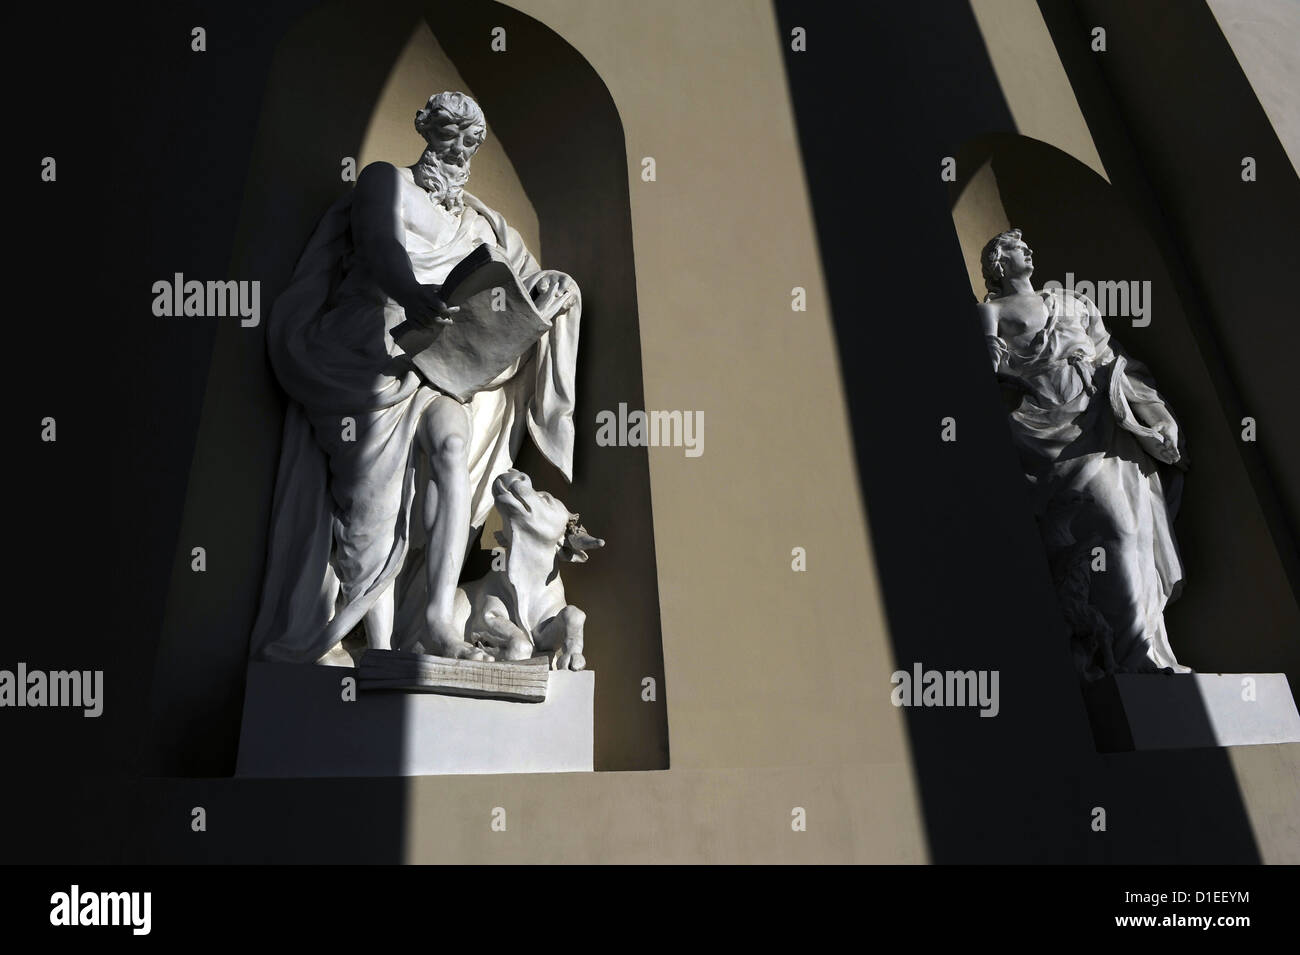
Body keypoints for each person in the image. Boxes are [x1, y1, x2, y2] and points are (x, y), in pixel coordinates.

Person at [250, 91, 580, 665]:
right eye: (450, 134)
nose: (461, 148)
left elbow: (523, 280)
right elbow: (379, 246)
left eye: (472, 139)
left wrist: (555, 290)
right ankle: (366, 643)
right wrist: (411, 294)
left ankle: (434, 623)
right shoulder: (385, 181)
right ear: (427, 132)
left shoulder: (478, 222)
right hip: (371, 353)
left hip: (440, 364)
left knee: (452, 448)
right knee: (368, 516)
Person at [977, 229, 1188, 675]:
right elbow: (983, 374)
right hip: (1045, 439)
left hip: (1099, 428)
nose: (1028, 249)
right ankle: (1120, 660)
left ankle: (1142, 655)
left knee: (1132, 533)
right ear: (998, 262)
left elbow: (1114, 364)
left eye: (1027, 244)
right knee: (1108, 534)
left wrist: (1157, 415)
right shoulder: (990, 311)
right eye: (1016, 247)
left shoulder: (1072, 302)